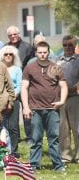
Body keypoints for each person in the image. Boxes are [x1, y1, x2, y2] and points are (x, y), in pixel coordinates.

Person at [21, 41, 68, 172]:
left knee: (54, 138)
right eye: (40, 52)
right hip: (35, 109)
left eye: (44, 52)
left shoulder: (55, 67)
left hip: (53, 109)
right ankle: (34, 165)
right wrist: (25, 107)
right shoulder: (29, 68)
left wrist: (62, 101)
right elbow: (24, 87)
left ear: (48, 52)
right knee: (36, 139)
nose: (42, 55)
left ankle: (58, 166)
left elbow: (63, 86)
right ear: (36, 53)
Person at [6, 25, 33, 143]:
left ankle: (29, 136)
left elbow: (32, 64)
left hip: (26, 82)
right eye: (10, 35)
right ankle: (15, 137)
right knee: (13, 112)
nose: (13, 36)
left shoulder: (28, 47)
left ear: (19, 34)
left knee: (26, 109)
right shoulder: (5, 48)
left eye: (15, 34)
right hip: (13, 84)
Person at [56, 35, 79, 163]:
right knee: (63, 128)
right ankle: (66, 156)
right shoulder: (58, 61)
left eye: (70, 45)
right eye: (65, 45)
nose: (68, 47)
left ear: (75, 45)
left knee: (77, 128)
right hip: (61, 99)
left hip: (76, 97)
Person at [0, 45, 22, 157]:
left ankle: (13, 151)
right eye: (6, 54)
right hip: (0, 101)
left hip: (14, 101)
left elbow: (19, 86)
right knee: (1, 125)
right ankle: (2, 149)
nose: (8, 56)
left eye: (10, 54)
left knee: (13, 126)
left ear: (14, 56)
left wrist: (11, 99)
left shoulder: (17, 70)